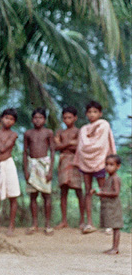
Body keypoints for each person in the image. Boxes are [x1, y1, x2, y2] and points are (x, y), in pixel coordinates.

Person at [75, 100, 116, 234]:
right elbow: (82, 148)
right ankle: (89, 223)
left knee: (103, 192)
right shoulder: (83, 129)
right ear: (86, 114)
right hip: (86, 163)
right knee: (88, 191)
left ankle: (108, 224)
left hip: (100, 162)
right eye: (89, 112)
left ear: (100, 113)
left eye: (95, 112)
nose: (92, 114)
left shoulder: (104, 125)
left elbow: (100, 145)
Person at [23, 107, 54, 235]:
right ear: (32, 119)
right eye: (35, 118)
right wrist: (26, 170)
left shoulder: (48, 132)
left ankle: (47, 224)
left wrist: (51, 170)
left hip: (44, 164)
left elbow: (52, 151)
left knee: (46, 195)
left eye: (40, 117)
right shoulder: (28, 133)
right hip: (33, 164)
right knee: (33, 196)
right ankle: (34, 224)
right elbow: (25, 151)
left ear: (45, 120)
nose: (38, 120)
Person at [54, 106, 84, 229]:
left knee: (78, 190)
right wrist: (70, 143)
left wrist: (63, 145)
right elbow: (56, 147)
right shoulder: (60, 132)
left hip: (75, 161)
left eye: (69, 117)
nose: (67, 120)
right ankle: (64, 220)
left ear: (75, 118)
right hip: (63, 161)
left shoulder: (79, 131)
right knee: (63, 190)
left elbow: (80, 146)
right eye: (65, 117)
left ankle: (82, 220)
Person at [92, 154, 123, 254]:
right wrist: (97, 190)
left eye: (111, 165)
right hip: (109, 206)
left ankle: (115, 248)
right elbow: (107, 189)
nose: (108, 167)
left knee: (116, 227)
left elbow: (116, 193)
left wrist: (102, 193)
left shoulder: (115, 178)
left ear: (118, 166)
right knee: (114, 226)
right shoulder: (109, 178)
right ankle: (114, 247)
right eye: (106, 164)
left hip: (114, 206)